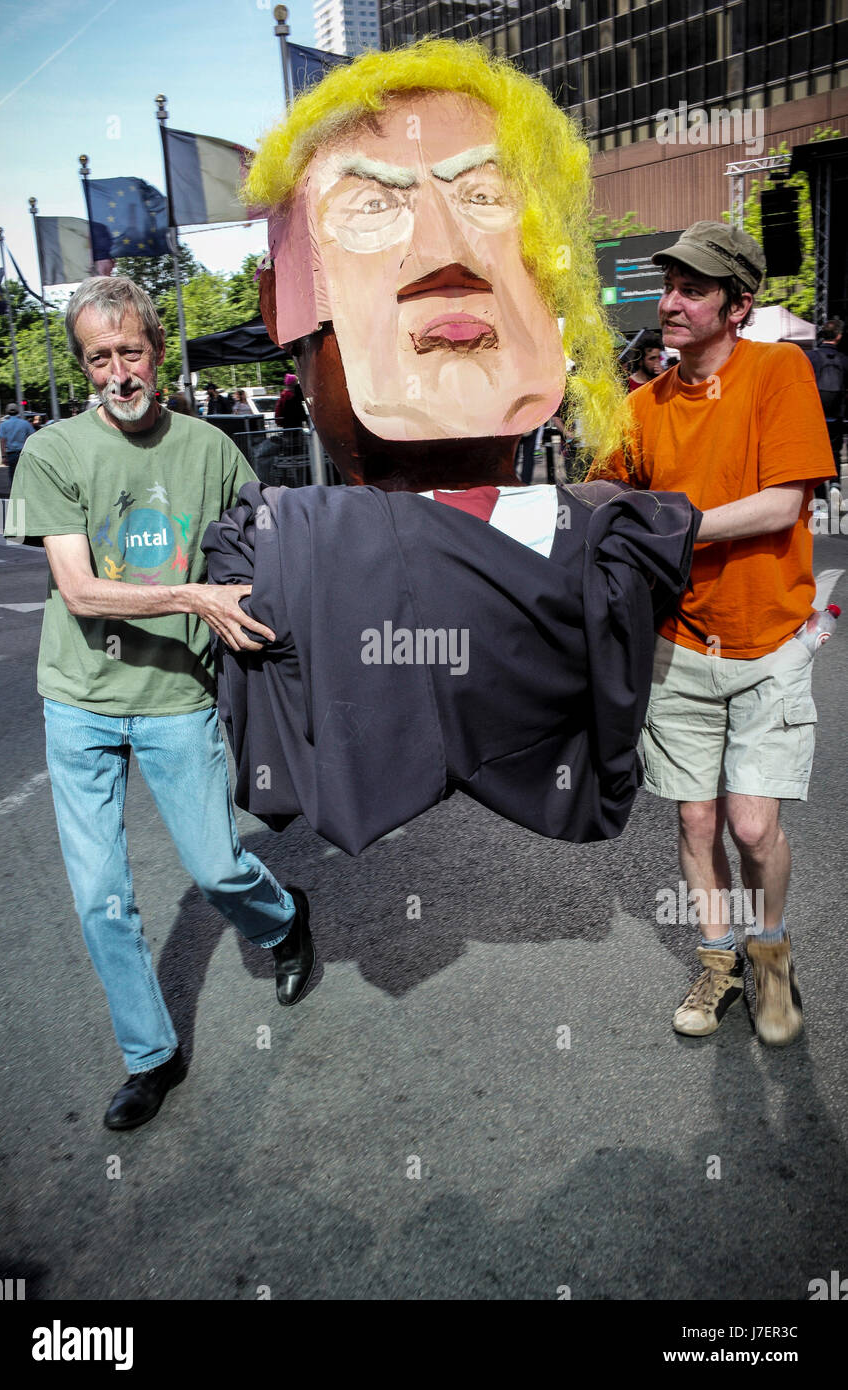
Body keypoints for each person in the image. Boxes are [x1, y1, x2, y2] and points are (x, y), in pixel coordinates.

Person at [201, 41, 699, 856]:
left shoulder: (611, 521)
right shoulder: (286, 544)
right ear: (279, 308)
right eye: (371, 206)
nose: (446, 253)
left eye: (486, 195)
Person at [4, 276, 315, 1132]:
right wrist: (194, 600)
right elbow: (79, 591)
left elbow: (264, 547)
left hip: (178, 696)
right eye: (98, 358)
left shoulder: (212, 450)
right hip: (78, 701)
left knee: (216, 868)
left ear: (157, 354)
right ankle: (150, 1056)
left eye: (130, 352)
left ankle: (285, 922)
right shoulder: (54, 451)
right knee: (101, 895)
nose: (117, 372)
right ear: (83, 366)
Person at [593, 221, 835, 1046]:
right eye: (669, 287)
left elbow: (781, 505)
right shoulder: (641, 407)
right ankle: (718, 958)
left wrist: (666, 524)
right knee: (697, 823)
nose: (670, 303)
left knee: (753, 824)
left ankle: (771, 955)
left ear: (739, 305)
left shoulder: (779, 370)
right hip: (678, 648)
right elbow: (599, 504)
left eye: (693, 290)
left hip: (768, 643)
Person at [807, 318, 845, 504]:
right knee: (835, 452)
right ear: (839, 336)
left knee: (815, 456)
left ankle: (821, 500)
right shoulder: (844, 360)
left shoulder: (811, 358)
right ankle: (836, 485)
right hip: (836, 416)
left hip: (814, 416)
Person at [0, 403, 35, 482]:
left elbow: (2, 441)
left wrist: (3, 456)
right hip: (23, 453)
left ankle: (15, 493)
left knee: (13, 476)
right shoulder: (25, 423)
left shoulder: (3, 425)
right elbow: (33, 437)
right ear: (18, 411)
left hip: (11, 454)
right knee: (26, 474)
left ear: (7, 412)